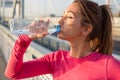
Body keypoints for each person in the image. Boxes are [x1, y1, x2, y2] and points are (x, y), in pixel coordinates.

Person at [5, 0, 120, 80]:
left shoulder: (107, 65)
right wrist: (26, 38)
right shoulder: (55, 59)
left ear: (86, 29)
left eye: (69, 17)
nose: (60, 21)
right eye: (62, 15)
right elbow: (14, 73)